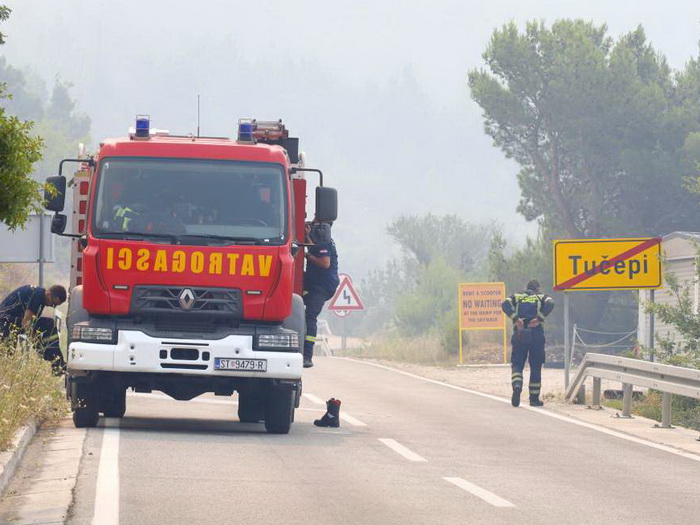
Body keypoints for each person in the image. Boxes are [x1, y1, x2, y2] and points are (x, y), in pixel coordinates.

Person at [501, 279, 555, 407]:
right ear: (537, 288)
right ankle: (534, 399)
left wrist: (515, 318)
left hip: (520, 333)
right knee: (536, 366)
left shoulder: (517, 296)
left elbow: (504, 304)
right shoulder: (541, 296)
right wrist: (540, 318)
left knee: (517, 364)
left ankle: (517, 386)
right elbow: (551, 303)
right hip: (536, 334)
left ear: (526, 288)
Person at [302, 221, 339, 368]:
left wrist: (307, 257)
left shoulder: (324, 244)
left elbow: (325, 263)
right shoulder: (320, 243)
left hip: (321, 288)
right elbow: (313, 248)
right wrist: (306, 237)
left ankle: (307, 355)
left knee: (310, 316)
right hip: (313, 283)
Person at [0, 284, 67, 340]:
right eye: (53, 304)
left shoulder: (40, 294)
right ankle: (50, 353)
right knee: (48, 324)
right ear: (48, 294)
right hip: (5, 321)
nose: (51, 306)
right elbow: (26, 323)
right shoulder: (38, 296)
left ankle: (50, 352)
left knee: (49, 323)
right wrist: (36, 340)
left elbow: (31, 322)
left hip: (12, 320)